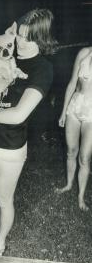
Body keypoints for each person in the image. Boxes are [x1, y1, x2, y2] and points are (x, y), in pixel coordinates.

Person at [0, 8, 56, 255]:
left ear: (41, 39)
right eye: (19, 35)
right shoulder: (3, 51)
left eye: (27, 38)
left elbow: (18, 114)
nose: (20, 42)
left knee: (4, 199)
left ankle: (0, 241)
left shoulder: (42, 69)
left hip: (10, 145)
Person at [55, 47, 92, 211]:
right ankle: (69, 185)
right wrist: (63, 112)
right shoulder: (84, 53)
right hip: (75, 106)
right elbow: (71, 84)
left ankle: (81, 197)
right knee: (71, 150)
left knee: (84, 158)